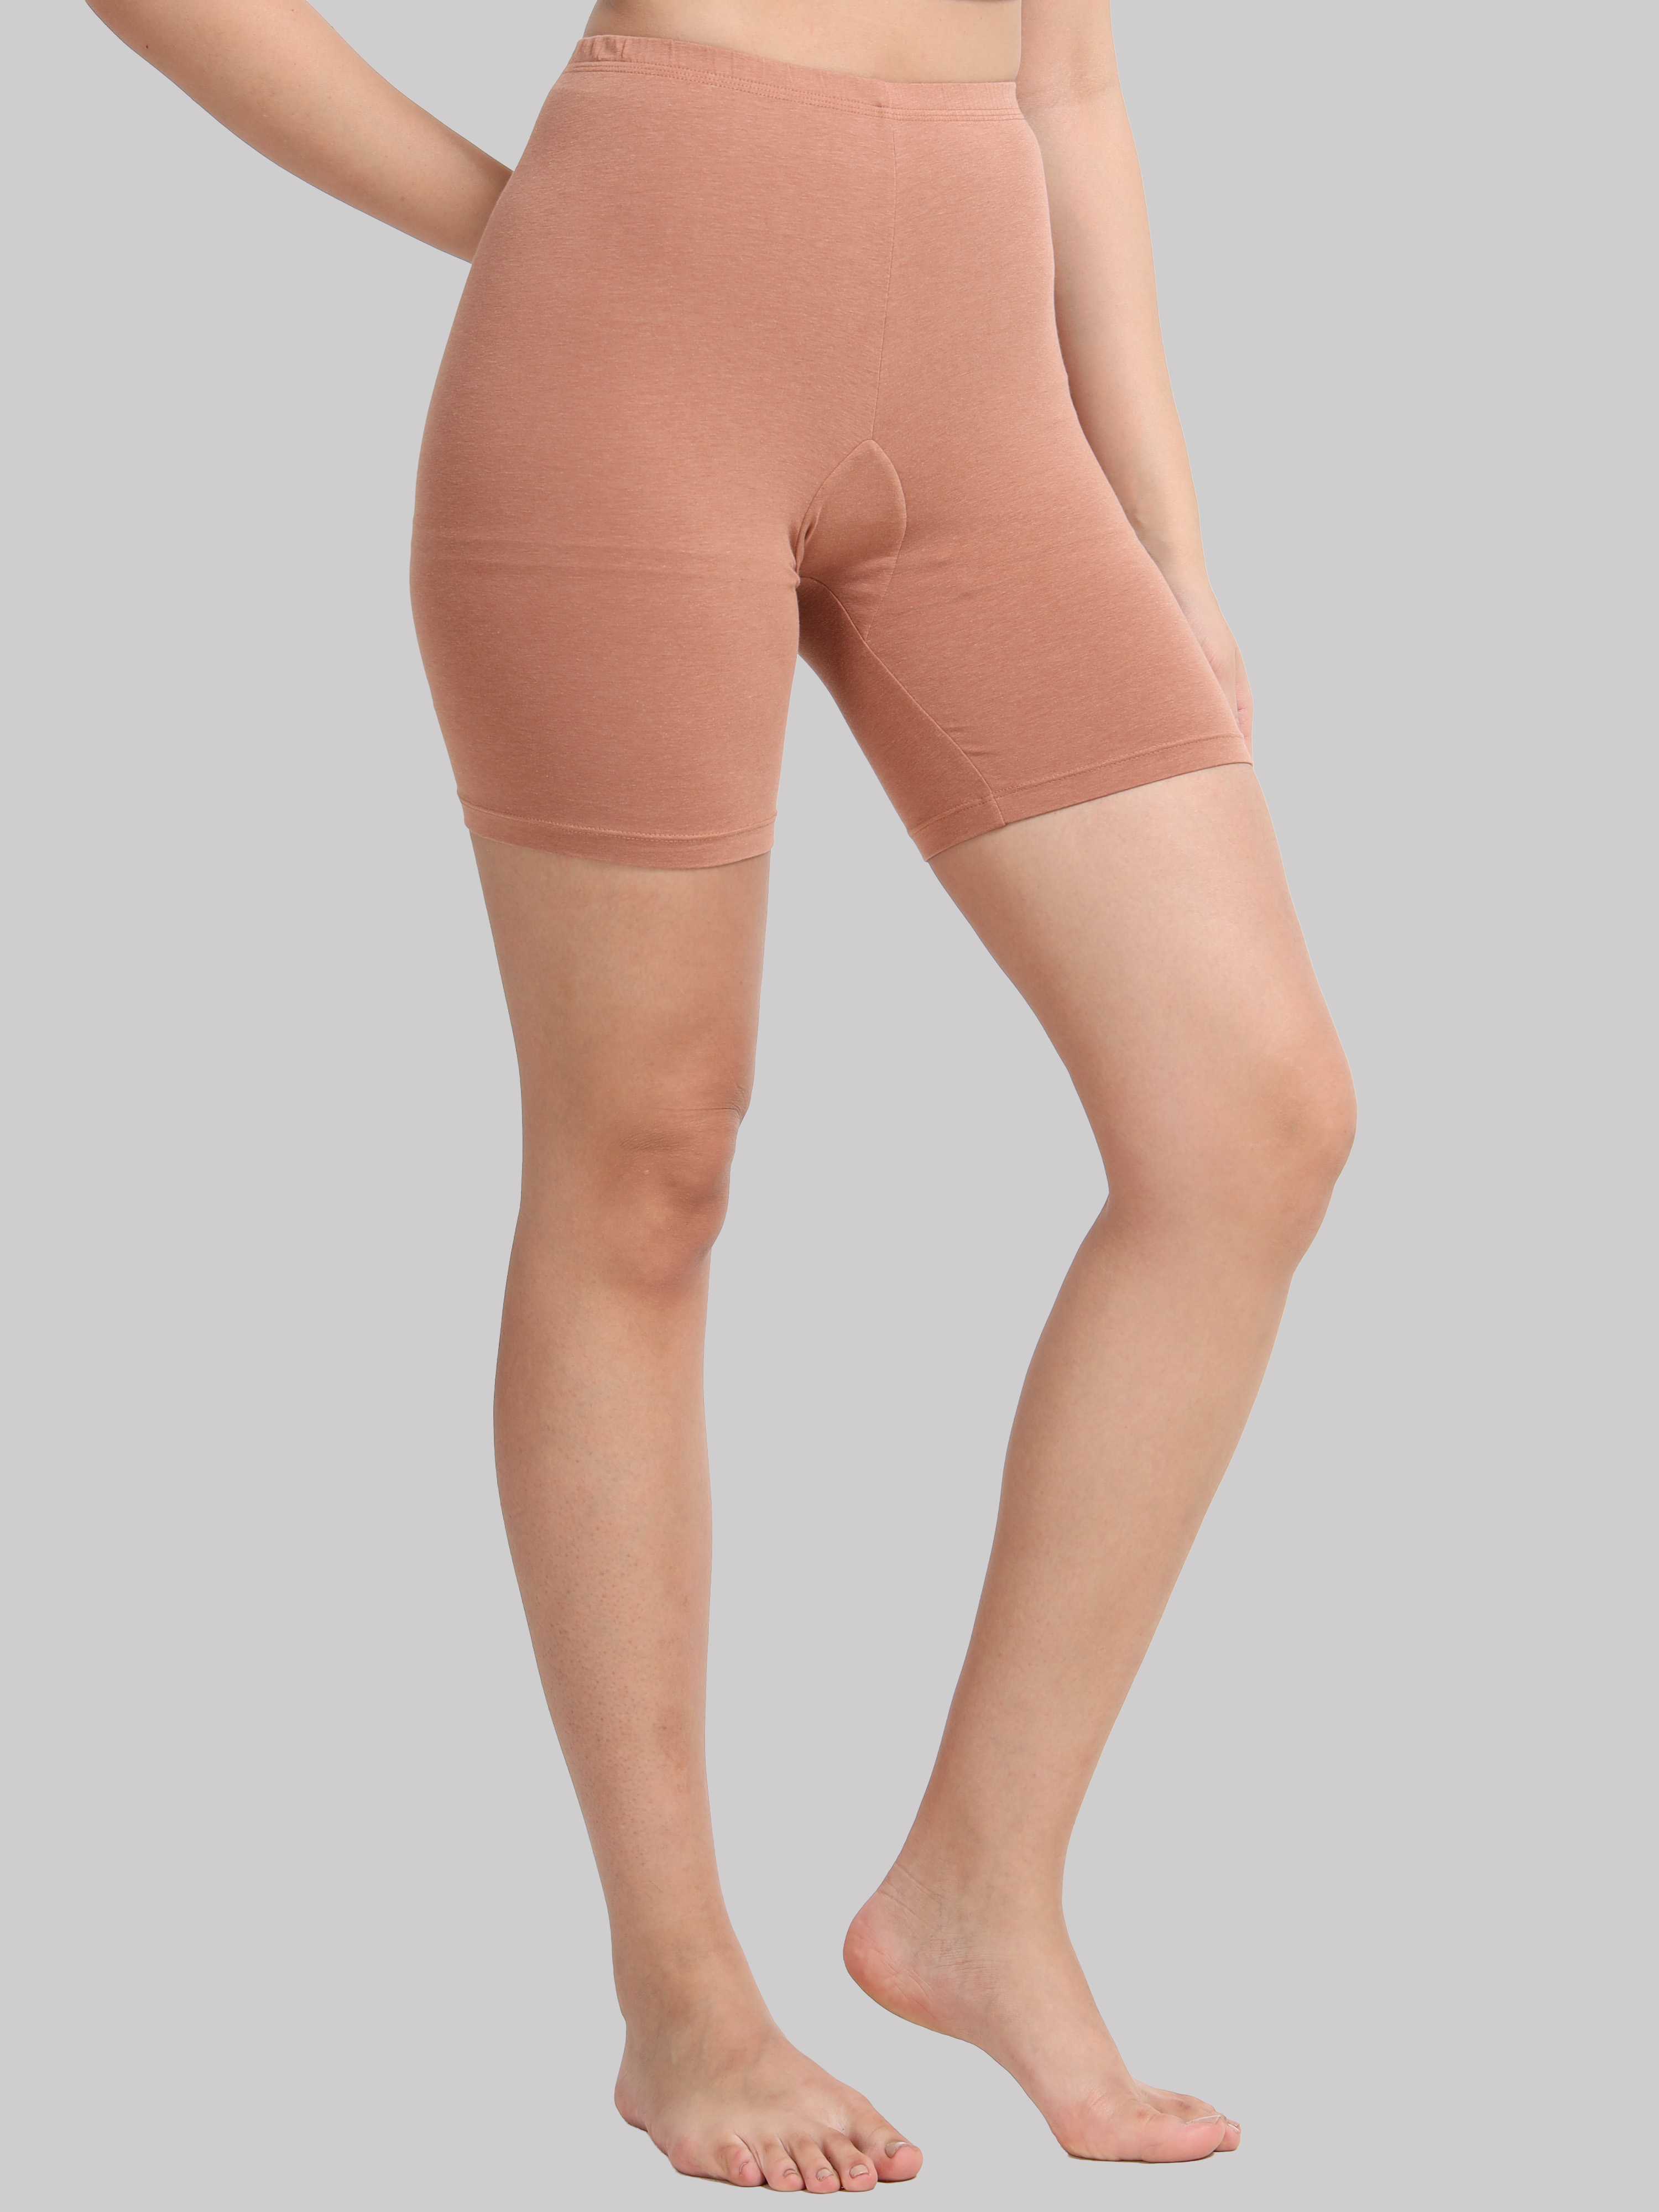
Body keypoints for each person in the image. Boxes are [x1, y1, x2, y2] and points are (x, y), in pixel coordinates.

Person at [85, 0, 1356, 2186]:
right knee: (646, 1164)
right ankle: (683, 1993)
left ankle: (978, 1887)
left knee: (1254, 1120)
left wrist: (1177, 539)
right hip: (635, 338)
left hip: (990, 395)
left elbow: (1071, 78)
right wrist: (504, 218)